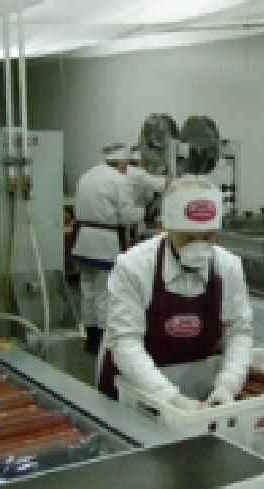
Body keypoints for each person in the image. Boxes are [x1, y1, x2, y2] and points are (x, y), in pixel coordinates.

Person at [98, 176, 253, 409]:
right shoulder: (134, 266)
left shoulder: (228, 266)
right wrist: (171, 399)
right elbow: (126, 342)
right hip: (135, 392)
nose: (199, 246)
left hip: (198, 391)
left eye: (208, 237)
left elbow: (239, 331)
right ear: (167, 228)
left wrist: (227, 385)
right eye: (188, 238)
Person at [71, 143, 145, 355]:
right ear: (121, 162)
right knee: (105, 292)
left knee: (87, 291)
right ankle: (104, 343)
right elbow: (126, 216)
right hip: (105, 243)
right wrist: (143, 212)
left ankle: (91, 340)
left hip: (83, 241)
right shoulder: (119, 180)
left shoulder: (87, 175)